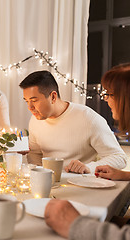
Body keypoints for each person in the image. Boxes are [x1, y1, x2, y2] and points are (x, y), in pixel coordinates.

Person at [45, 63, 130, 239]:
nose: (106, 99)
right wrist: (124, 175)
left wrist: (76, 225)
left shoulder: (88, 117)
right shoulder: (35, 122)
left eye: (110, 94)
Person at [19, 70, 127, 174]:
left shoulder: (88, 118)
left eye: (34, 100)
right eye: (27, 101)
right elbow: (34, 154)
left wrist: (89, 167)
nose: (30, 107)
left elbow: (119, 158)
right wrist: (40, 176)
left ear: (53, 96)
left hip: (81, 184)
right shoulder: (35, 120)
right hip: (49, 184)